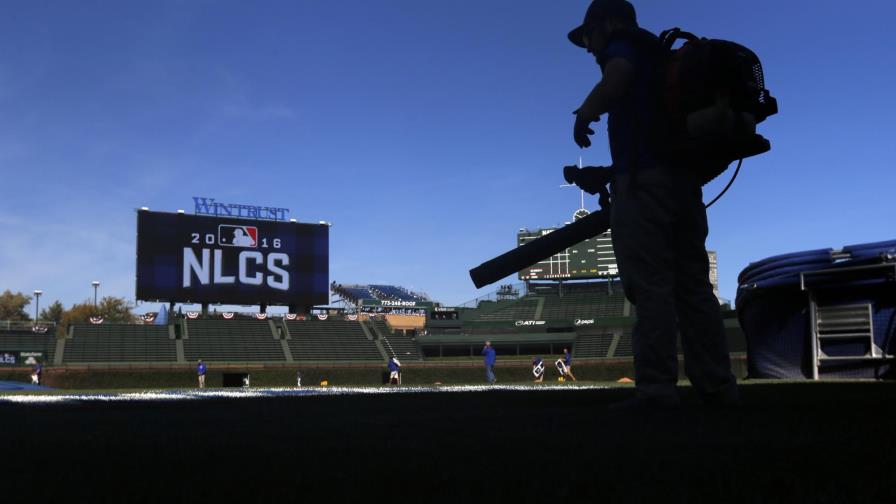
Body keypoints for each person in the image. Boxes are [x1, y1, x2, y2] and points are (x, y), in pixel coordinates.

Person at [567, 0, 738, 408]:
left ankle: (658, 389)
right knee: (694, 289)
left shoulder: (624, 46)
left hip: (645, 187)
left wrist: (585, 112)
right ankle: (717, 387)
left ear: (607, 24)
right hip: (684, 185)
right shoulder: (661, 58)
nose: (590, 48)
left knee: (652, 287)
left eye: (589, 36)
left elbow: (617, 76)